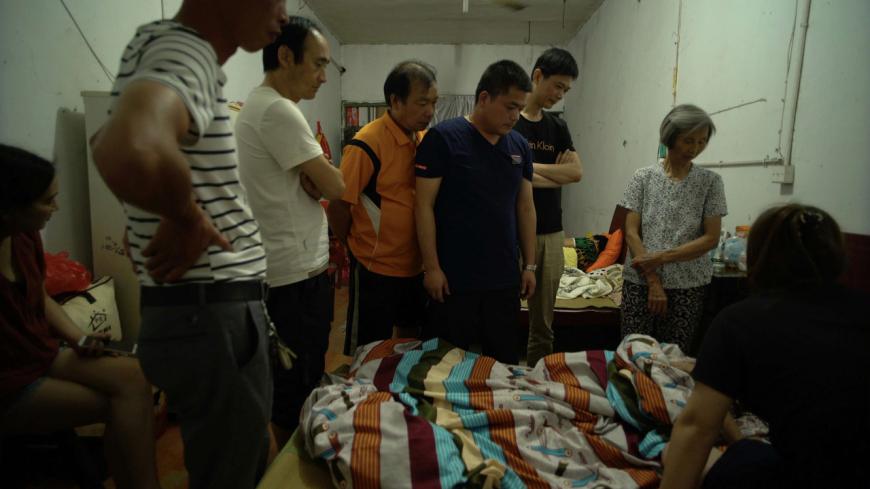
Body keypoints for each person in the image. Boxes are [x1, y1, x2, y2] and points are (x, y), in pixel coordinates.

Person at [89, 1, 289, 488]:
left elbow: (101, 141)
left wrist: (149, 210)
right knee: (235, 473)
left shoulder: (156, 42)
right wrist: (185, 216)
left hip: (195, 313)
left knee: (244, 454)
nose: (284, 15)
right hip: (211, 315)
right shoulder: (186, 50)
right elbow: (125, 147)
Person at [660, 204, 869, 489]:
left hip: (802, 473)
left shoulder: (739, 322)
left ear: (759, 257)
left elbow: (696, 428)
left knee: (671, 452)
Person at [0, 144, 161, 489]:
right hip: (10, 384)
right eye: (47, 201)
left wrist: (78, 337)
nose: (56, 208)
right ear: (9, 208)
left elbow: (41, 297)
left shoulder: (23, 237)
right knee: (118, 404)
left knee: (135, 377)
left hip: (39, 355)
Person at [235, 16, 344, 451]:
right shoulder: (278, 111)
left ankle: (290, 459)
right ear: (285, 56)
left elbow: (322, 182)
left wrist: (317, 176)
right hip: (293, 277)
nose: (323, 77)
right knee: (296, 388)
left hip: (285, 271)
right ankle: (290, 467)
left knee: (294, 381)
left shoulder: (259, 106)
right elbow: (337, 186)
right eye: (318, 64)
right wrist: (322, 176)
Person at [415, 60, 536, 364]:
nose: (515, 116)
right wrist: (431, 268)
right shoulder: (443, 139)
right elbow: (423, 206)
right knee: (444, 366)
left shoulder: (519, 146)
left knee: (503, 364)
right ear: (484, 98)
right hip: (453, 279)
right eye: (510, 106)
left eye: (520, 108)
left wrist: (530, 265)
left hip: (503, 279)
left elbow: (525, 206)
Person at [327, 60, 438, 355]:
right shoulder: (366, 144)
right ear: (396, 101)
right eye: (422, 103)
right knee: (369, 349)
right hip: (376, 269)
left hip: (415, 266)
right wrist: (354, 246)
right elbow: (338, 206)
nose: (430, 111)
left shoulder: (423, 140)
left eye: (434, 103)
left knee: (410, 343)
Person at [619, 104, 727, 353]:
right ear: (671, 136)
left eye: (702, 141)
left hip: (688, 284)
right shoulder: (643, 177)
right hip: (640, 281)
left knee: (675, 358)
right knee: (633, 354)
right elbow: (632, 232)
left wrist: (662, 257)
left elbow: (711, 238)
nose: (695, 148)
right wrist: (653, 280)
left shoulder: (711, 182)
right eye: (688, 140)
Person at [513, 47, 583, 366]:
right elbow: (505, 176)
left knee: (543, 323)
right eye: (557, 86)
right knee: (505, 314)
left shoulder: (558, 127)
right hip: (513, 232)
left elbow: (575, 173)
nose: (560, 95)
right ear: (538, 76)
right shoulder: (511, 122)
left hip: (552, 233)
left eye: (566, 90)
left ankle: (539, 378)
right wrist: (554, 173)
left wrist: (525, 169)